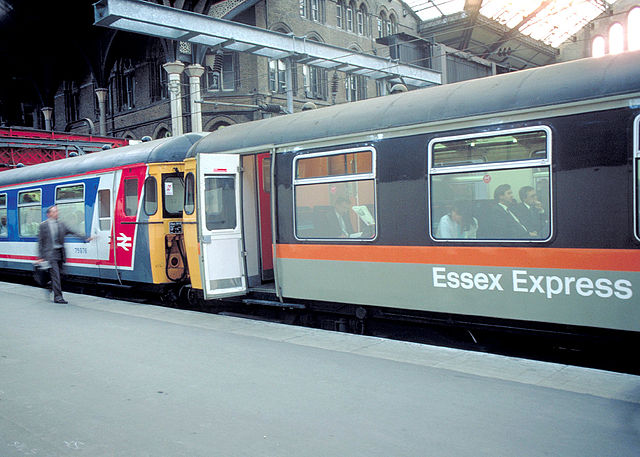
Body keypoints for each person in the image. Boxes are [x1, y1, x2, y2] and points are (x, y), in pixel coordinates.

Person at [36, 205, 93, 304]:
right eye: (54, 212)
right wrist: (40, 257)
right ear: (49, 214)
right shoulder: (43, 226)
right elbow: (40, 242)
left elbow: (73, 232)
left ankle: (50, 285)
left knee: (62, 275)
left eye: (57, 211)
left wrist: (85, 238)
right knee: (56, 275)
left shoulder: (61, 224)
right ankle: (58, 297)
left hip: (60, 253)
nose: (56, 213)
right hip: (50, 255)